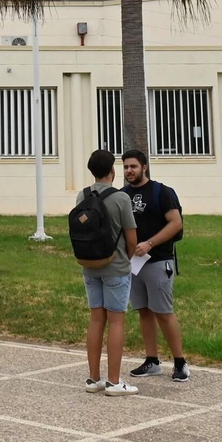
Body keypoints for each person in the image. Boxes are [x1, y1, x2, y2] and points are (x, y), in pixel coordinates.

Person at [122, 149, 190, 382]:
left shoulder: (162, 192)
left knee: (163, 312)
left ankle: (180, 362)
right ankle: (152, 361)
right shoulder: (123, 195)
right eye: (125, 167)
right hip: (133, 264)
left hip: (158, 260)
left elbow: (175, 223)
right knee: (144, 311)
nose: (129, 171)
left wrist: (150, 244)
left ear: (144, 167)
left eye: (133, 166)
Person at [76, 149, 138, 396]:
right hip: (116, 266)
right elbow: (131, 238)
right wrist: (127, 258)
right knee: (116, 321)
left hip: (89, 265)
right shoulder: (121, 198)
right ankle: (114, 382)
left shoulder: (82, 195)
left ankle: (93, 379)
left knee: (96, 319)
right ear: (112, 171)